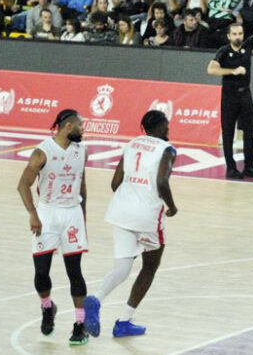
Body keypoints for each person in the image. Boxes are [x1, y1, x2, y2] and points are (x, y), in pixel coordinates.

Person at [83, 111, 178, 338]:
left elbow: (115, 182)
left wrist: (130, 195)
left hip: (120, 211)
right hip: (146, 216)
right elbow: (162, 181)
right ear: (161, 127)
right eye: (166, 126)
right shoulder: (167, 149)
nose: (168, 130)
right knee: (149, 266)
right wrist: (172, 206)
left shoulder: (133, 144)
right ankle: (124, 321)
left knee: (122, 268)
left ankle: (96, 299)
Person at [16, 109, 89, 346]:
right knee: (41, 273)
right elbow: (22, 185)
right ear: (68, 126)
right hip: (46, 213)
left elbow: (82, 183)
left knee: (74, 272)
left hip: (72, 214)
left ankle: (80, 324)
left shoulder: (82, 150)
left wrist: (83, 214)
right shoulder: (42, 152)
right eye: (80, 125)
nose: (83, 129)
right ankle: (47, 307)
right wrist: (33, 214)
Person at [207, 0, 253, 179]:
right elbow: (211, 69)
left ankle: (249, 166)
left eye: (240, 33)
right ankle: (231, 168)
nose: (238, 36)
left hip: (245, 94)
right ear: (228, 36)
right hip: (229, 96)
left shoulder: (247, 46)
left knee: (249, 132)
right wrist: (232, 71)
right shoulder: (223, 51)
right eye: (234, 34)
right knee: (228, 133)